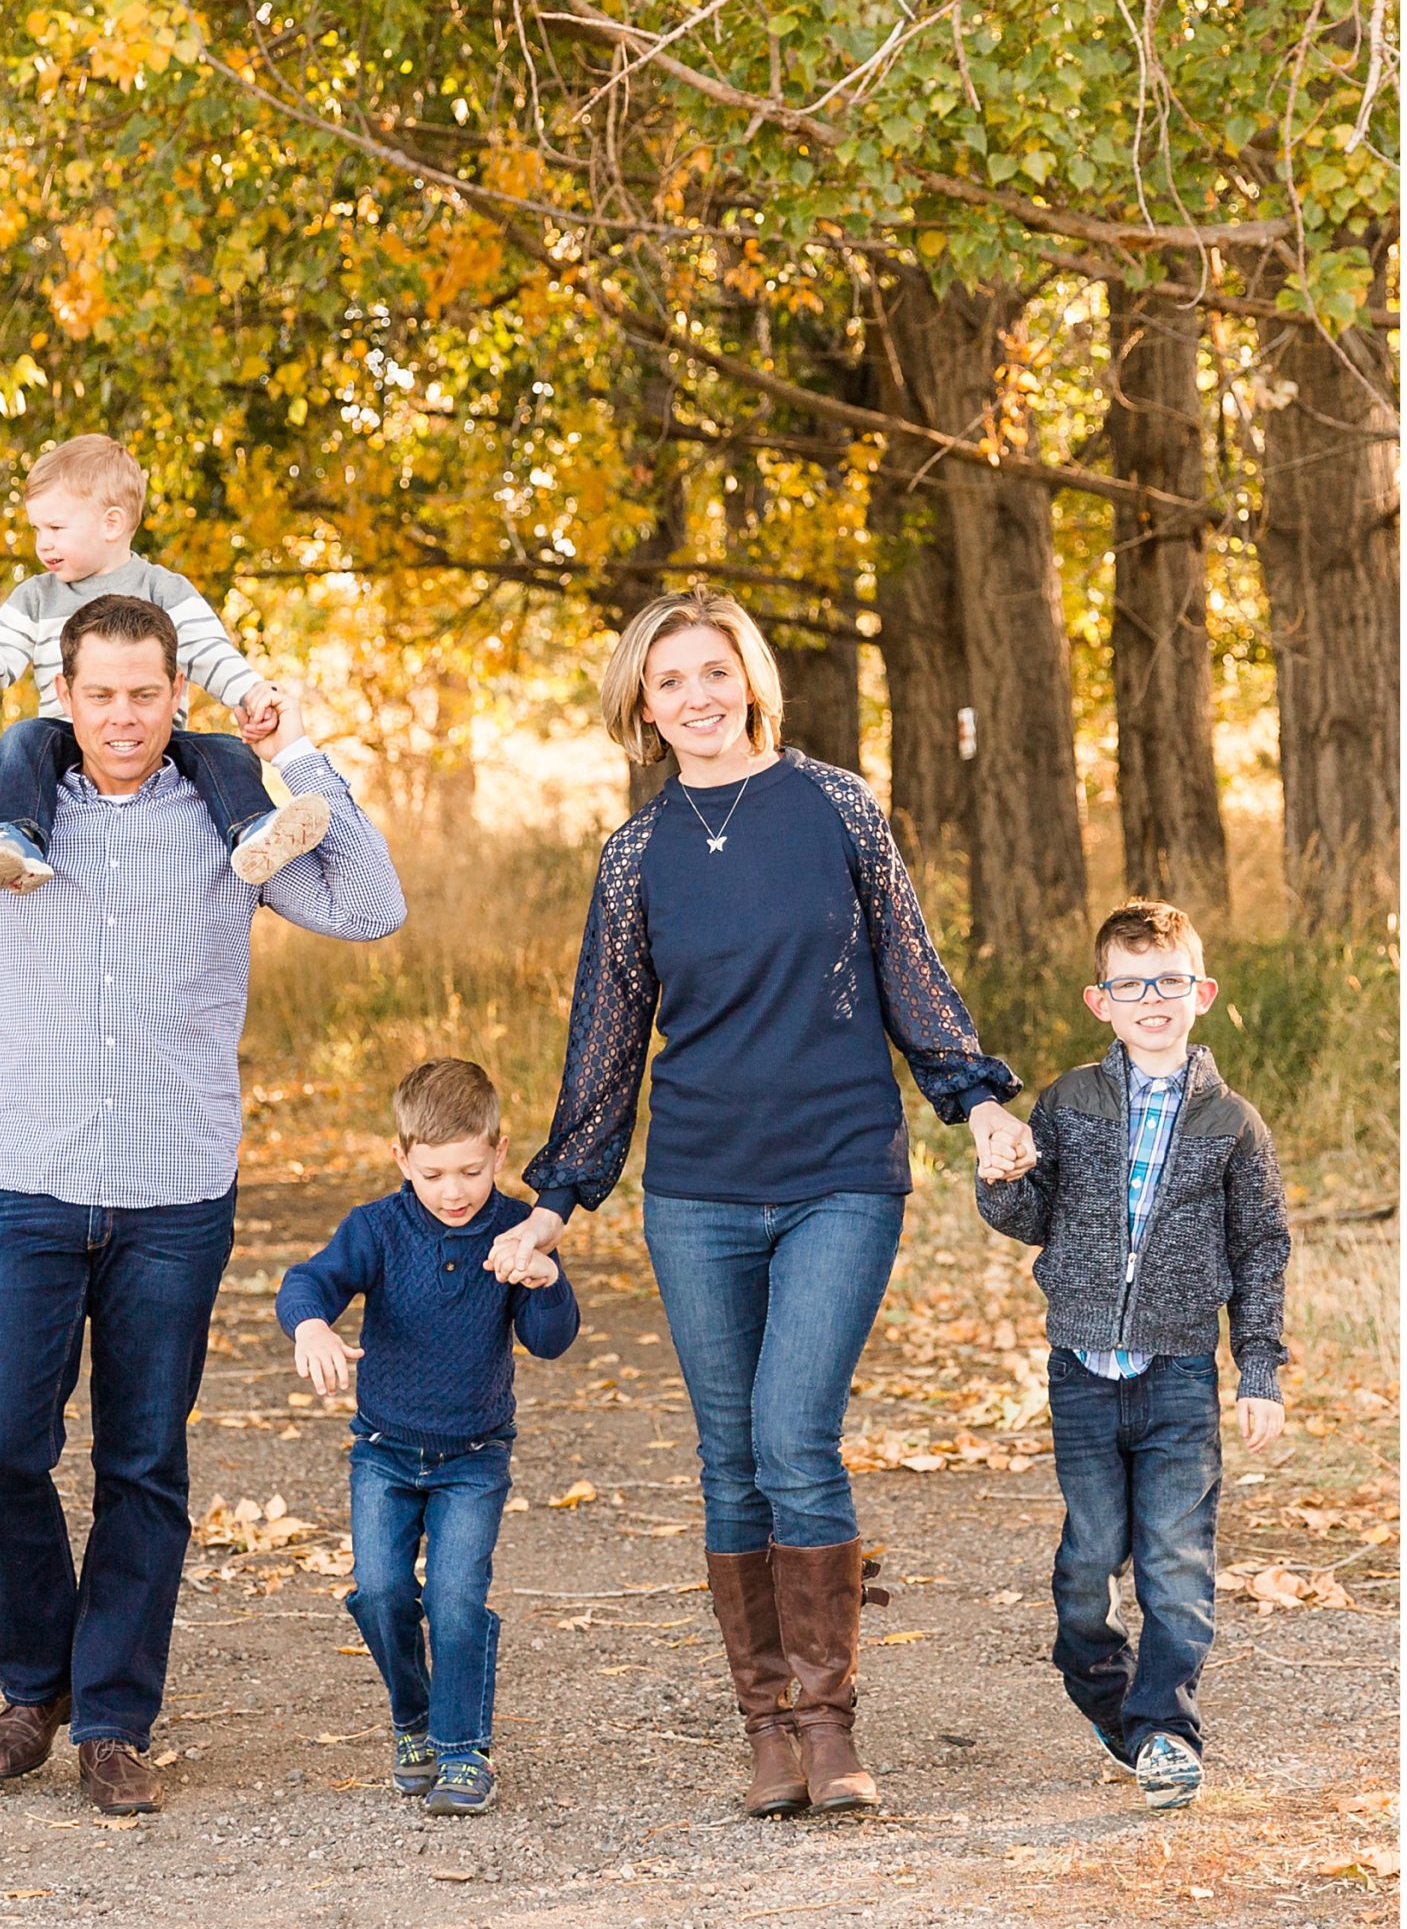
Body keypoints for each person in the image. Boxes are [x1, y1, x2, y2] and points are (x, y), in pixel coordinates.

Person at [0, 593, 406, 1814]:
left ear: (176, 694)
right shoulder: (8, 817)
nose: (125, 716)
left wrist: (297, 750)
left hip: (175, 1197)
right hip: (28, 1184)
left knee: (143, 1461)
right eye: (102, 695)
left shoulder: (232, 821)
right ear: (65, 699)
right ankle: (37, 1681)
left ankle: (114, 1717)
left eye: (146, 693)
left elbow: (370, 906)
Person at [490, 585, 1031, 1819]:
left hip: (842, 1168)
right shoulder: (636, 855)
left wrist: (974, 1100)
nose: (695, 696)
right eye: (668, 679)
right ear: (641, 703)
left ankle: (831, 1724)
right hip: (697, 1188)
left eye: (713, 671)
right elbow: (607, 1041)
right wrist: (558, 1198)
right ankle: (768, 1730)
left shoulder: (834, 804)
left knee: (793, 1430)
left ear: (749, 679)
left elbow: (908, 964)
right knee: (727, 1457)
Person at [976, 897, 1291, 1811]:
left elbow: (1260, 1247)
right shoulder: (1068, 1103)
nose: (1150, 998)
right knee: (1088, 1566)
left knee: (1175, 1563)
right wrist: (1003, 1181)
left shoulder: (1232, 1122)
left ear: (1201, 992)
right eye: (1129, 984)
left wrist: (1258, 1371)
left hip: (1179, 1371)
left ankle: (1164, 1730)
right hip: (1080, 1368)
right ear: (1098, 999)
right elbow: (1029, 1219)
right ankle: (1111, 1699)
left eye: (1167, 982)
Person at [276, 1059, 579, 1816]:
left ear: (498, 1153)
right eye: (435, 1172)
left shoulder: (515, 1232)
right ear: (401, 1158)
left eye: (471, 1171)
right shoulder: (377, 1228)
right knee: (380, 1591)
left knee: (454, 1597)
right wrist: (310, 1323)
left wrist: (544, 1279)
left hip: (473, 1458)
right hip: (382, 1450)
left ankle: (461, 1749)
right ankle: (412, 1717)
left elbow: (549, 1341)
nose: (454, 1191)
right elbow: (308, 1282)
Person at [0, 432, 327, 894]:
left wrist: (251, 693)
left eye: (56, 529)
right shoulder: (36, 596)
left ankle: (255, 831)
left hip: (156, 739)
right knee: (20, 739)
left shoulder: (162, 589)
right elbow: (0, 651)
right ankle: (17, 839)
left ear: (112, 523)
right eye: (37, 530)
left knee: (226, 749)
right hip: (64, 734)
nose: (43, 544)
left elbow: (209, 651)